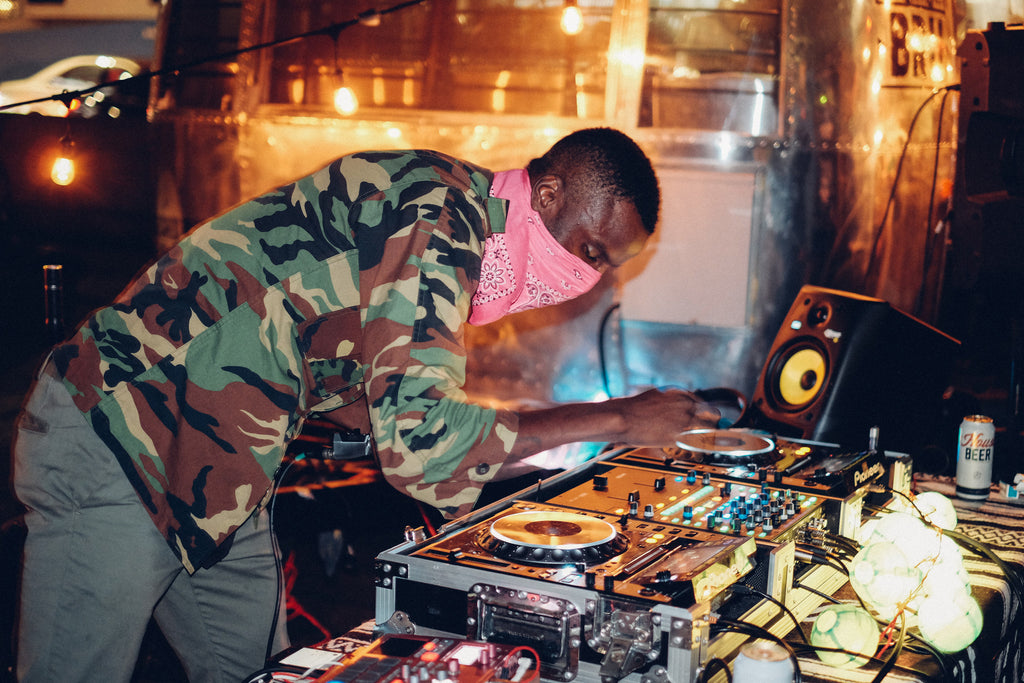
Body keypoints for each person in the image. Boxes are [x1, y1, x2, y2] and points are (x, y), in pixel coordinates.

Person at [12, 127, 718, 682]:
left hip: (221, 468)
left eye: (605, 266)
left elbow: (354, 378)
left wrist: (438, 450)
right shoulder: (441, 214)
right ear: (551, 192)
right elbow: (421, 441)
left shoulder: (456, 219)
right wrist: (621, 418)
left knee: (263, 672)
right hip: (122, 438)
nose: (587, 276)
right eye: (590, 249)